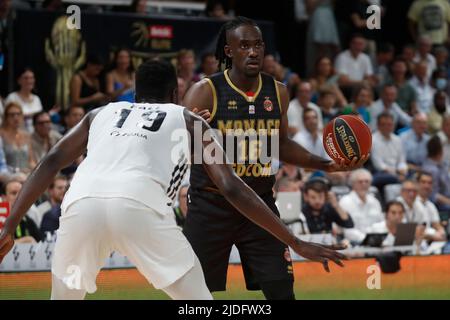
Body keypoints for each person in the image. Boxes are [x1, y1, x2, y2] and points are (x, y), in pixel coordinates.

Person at [0, 59, 349, 300]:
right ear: (175, 94)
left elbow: (49, 162)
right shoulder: (191, 120)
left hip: (80, 208)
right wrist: (295, 241)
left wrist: (8, 226)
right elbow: (230, 187)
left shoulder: (100, 113)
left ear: (135, 95)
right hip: (139, 209)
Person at [181, 17, 364, 300]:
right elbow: (182, 145)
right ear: (228, 51)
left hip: (260, 203)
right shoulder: (204, 91)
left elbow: (279, 144)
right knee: (192, 297)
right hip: (211, 205)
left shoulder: (278, 91)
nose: (253, 52)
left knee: (282, 291)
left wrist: (325, 164)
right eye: (244, 46)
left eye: (258, 45)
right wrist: (193, 130)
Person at [339, 169, 384, 244]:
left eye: (367, 181)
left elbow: (381, 223)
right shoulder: (345, 202)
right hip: (353, 243)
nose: (364, 184)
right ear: (353, 184)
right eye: (360, 182)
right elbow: (347, 231)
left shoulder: (375, 202)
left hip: (374, 242)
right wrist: (366, 239)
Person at [371, 112, 408, 200]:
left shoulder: (398, 139)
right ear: (378, 125)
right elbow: (378, 165)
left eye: (390, 124)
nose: (387, 127)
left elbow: (402, 160)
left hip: (397, 173)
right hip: (381, 173)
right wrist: (397, 174)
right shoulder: (373, 140)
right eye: (384, 124)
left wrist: (403, 170)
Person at [1, 179, 42, 243]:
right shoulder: (1, 218)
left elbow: (41, 242)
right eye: (14, 193)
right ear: (4, 198)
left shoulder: (26, 219)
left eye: (21, 193)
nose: (18, 196)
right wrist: (25, 240)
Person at [0, 102, 36, 174]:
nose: (16, 117)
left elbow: (31, 160)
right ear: (6, 117)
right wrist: (18, 171)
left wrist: (35, 170)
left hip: (27, 175)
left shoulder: (26, 135)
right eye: (12, 115)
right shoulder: (1, 135)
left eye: (18, 114)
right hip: (8, 176)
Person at [416, 172, 447, 242]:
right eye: (423, 182)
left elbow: (436, 224)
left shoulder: (431, 205)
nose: (426, 186)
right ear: (417, 184)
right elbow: (413, 232)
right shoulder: (412, 203)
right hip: (416, 242)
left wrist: (442, 232)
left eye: (429, 183)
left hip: (430, 242)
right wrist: (433, 236)